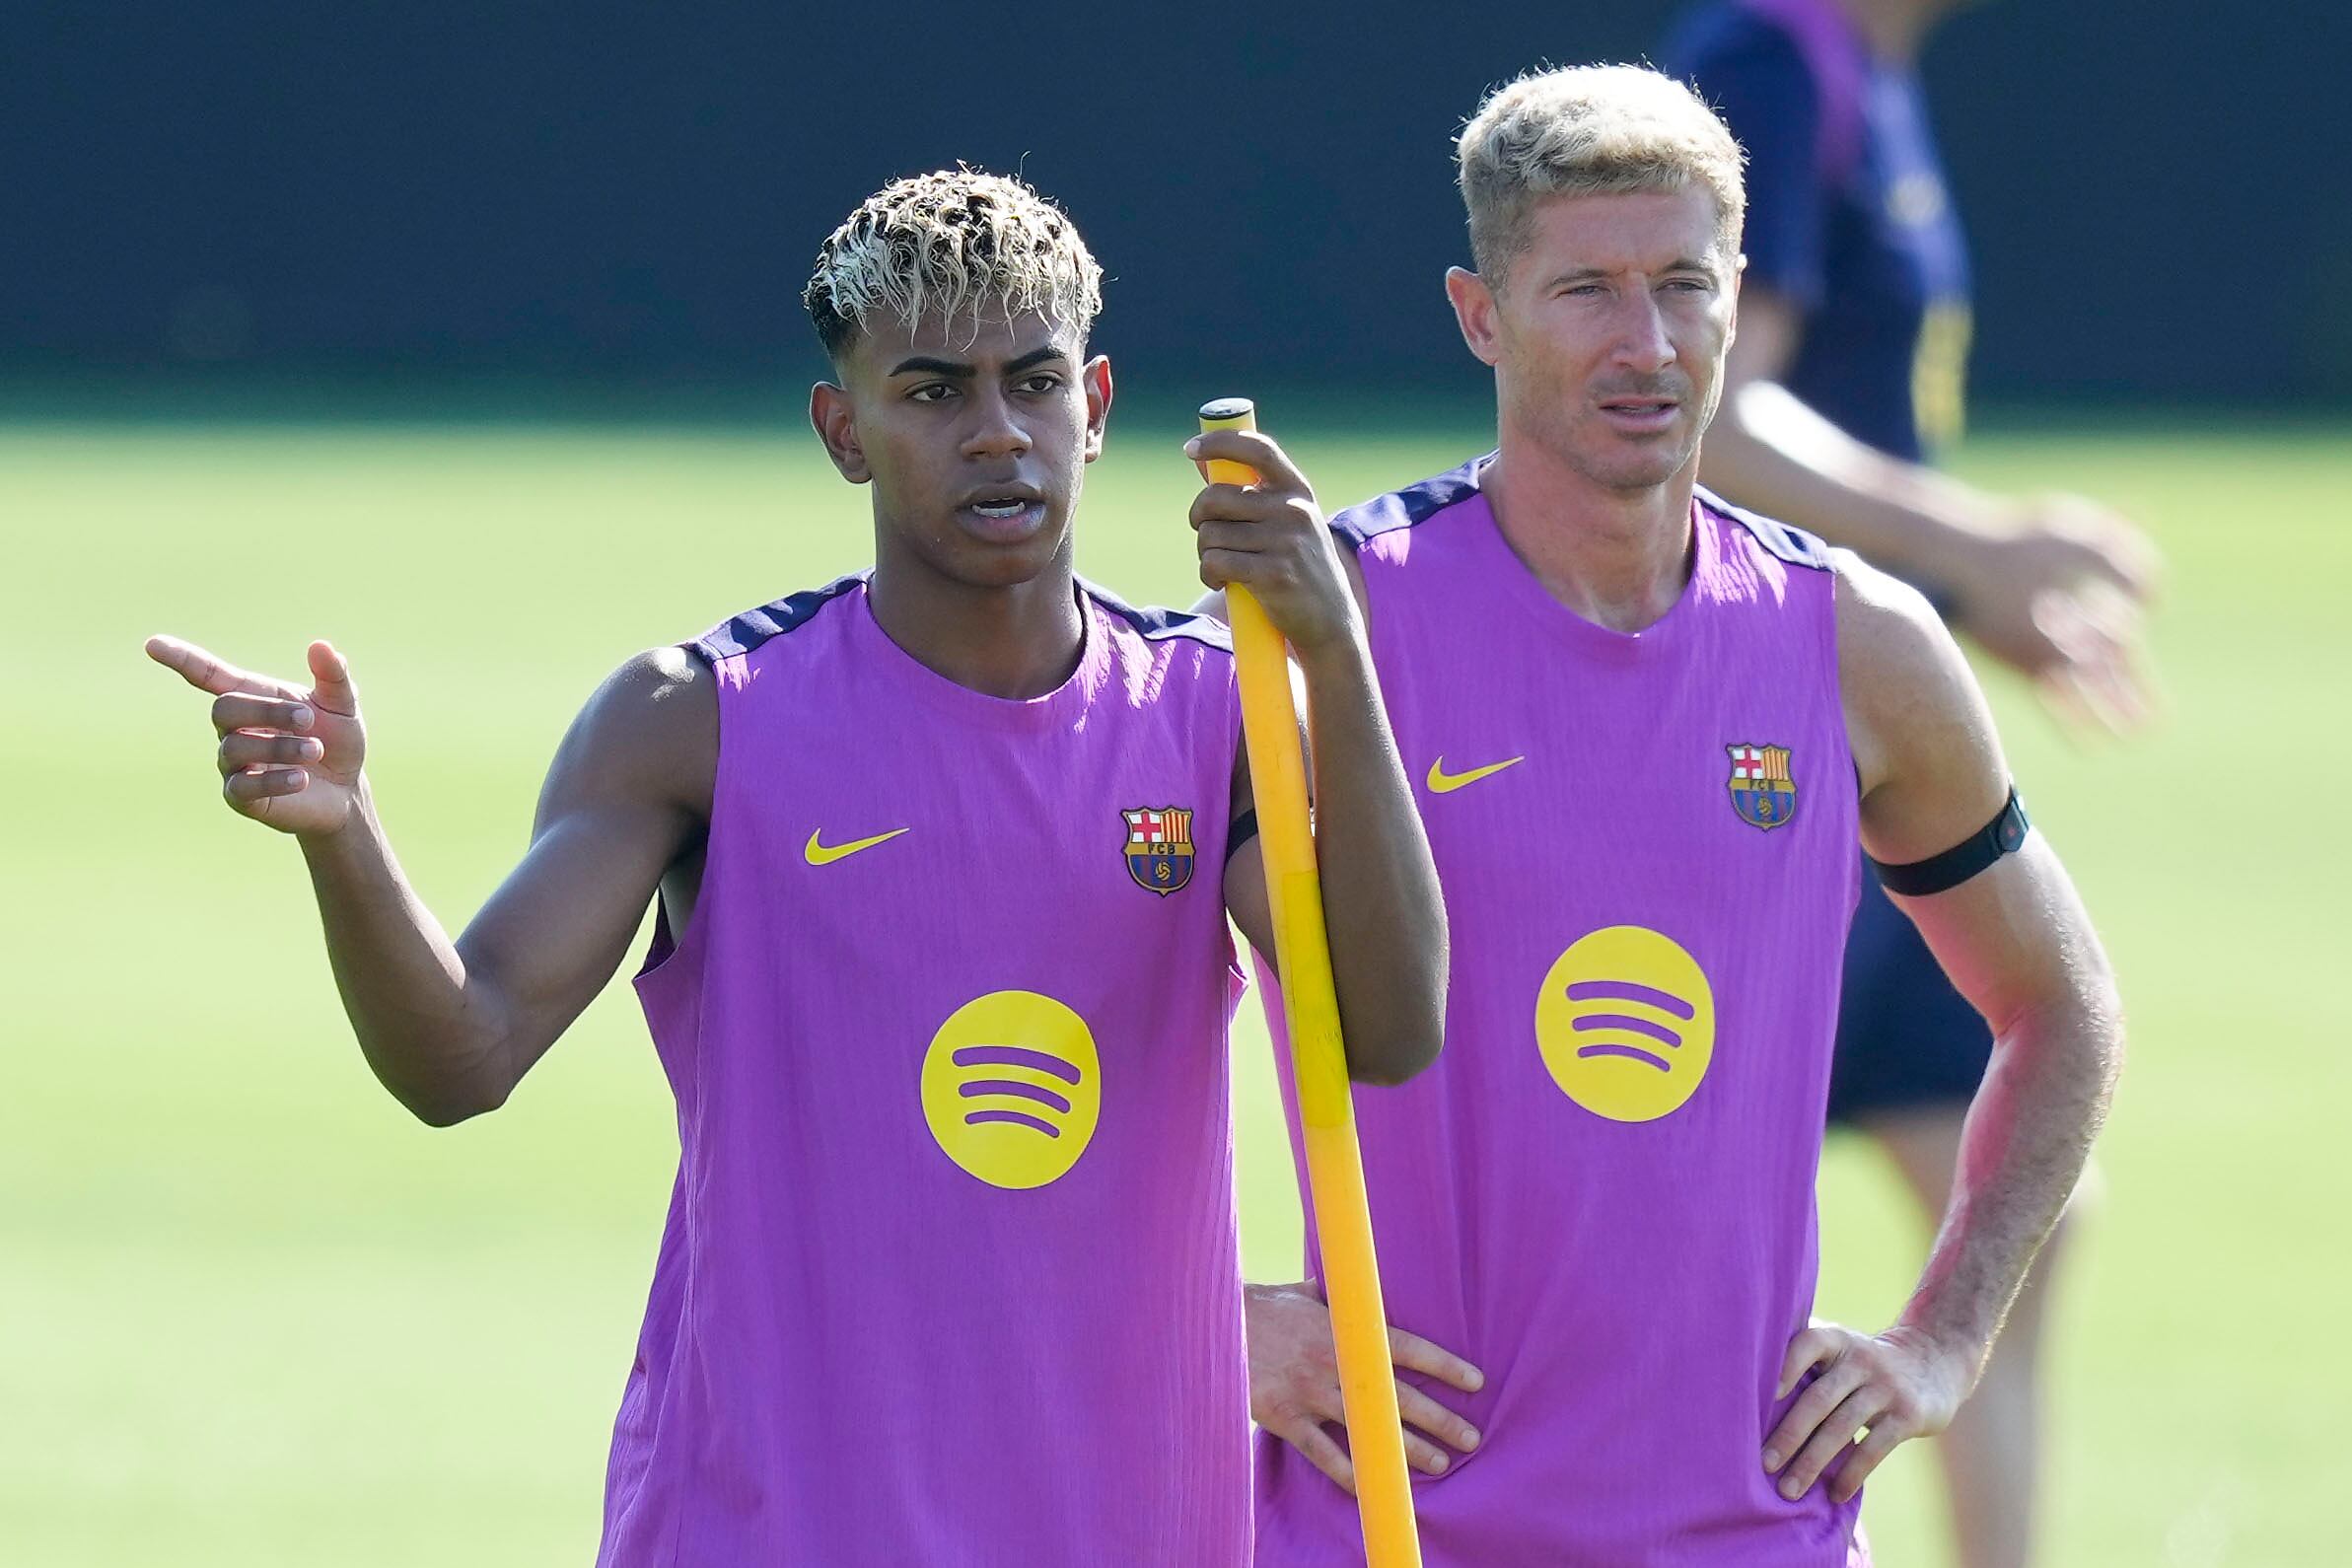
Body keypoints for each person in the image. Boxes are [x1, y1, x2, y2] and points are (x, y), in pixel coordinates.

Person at [145, 169, 1446, 1566]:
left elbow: (1387, 1026)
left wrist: (1336, 662)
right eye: (934, 392)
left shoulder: (1207, 714)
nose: (998, 434)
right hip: (772, 1526)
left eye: (1035, 382)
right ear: (845, 430)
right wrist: (346, 837)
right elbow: (462, 1053)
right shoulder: (699, 717)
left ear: (1100, 405)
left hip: (1127, 1523)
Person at [1234, 66, 2121, 1565]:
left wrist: (1943, 1337)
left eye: (1683, 286)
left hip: (1746, 1530)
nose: (1643, 343)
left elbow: (2058, 1006)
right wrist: (1207, 1317)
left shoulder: (1858, 646)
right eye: (1584, 288)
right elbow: (1075, 997)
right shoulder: (1319, 630)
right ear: (1477, 314)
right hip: (1386, 1525)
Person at [1659, 5, 2161, 1560]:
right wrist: (1976, 543)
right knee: (1677, 1232)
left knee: (2017, 1201)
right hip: (1760, 746)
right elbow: (1718, 417)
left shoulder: (1869, 76)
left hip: (1875, 733)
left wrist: (1964, 615)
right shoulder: (1766, 64)